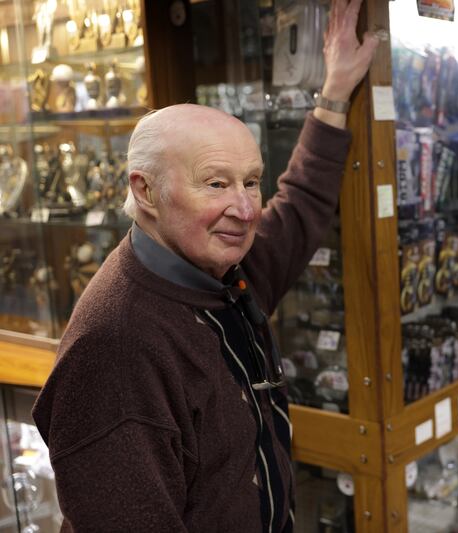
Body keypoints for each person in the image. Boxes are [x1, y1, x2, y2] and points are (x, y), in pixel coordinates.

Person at [32, 0, 379, 530]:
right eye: (215, 183)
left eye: (250, 181)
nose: (243, 209)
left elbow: (300, 207)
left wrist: (333, 95)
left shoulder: (217, 267)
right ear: (145, 191)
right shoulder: (116, 347)